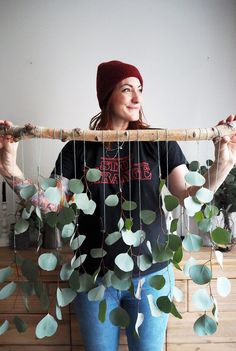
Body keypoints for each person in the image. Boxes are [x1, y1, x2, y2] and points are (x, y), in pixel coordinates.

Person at [0, 60, 236, 351]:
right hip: (93, 281)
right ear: (107, 96)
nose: (138, 98)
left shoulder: (159, 142)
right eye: (127, 89)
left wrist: (223, 165)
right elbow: (52, 203)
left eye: (140, 89)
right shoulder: (79, 147)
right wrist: (10, 167)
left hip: (151, 279)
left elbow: (187, 195)